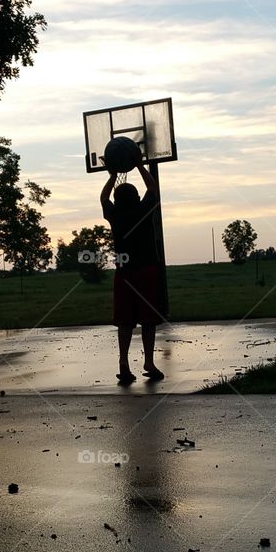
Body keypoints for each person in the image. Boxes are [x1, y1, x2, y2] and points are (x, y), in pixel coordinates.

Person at [100, 145, 166, 385]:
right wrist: (139, 164)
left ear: (117, 201)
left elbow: (103, 198)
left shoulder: (114, 216)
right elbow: (153, 188)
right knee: (148, 320)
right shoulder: (143, 210)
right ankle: (148, 361)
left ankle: (123, 363)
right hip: (147, 270)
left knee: (125, 321)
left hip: (124, 273)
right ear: (137, 198)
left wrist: (112, 175)